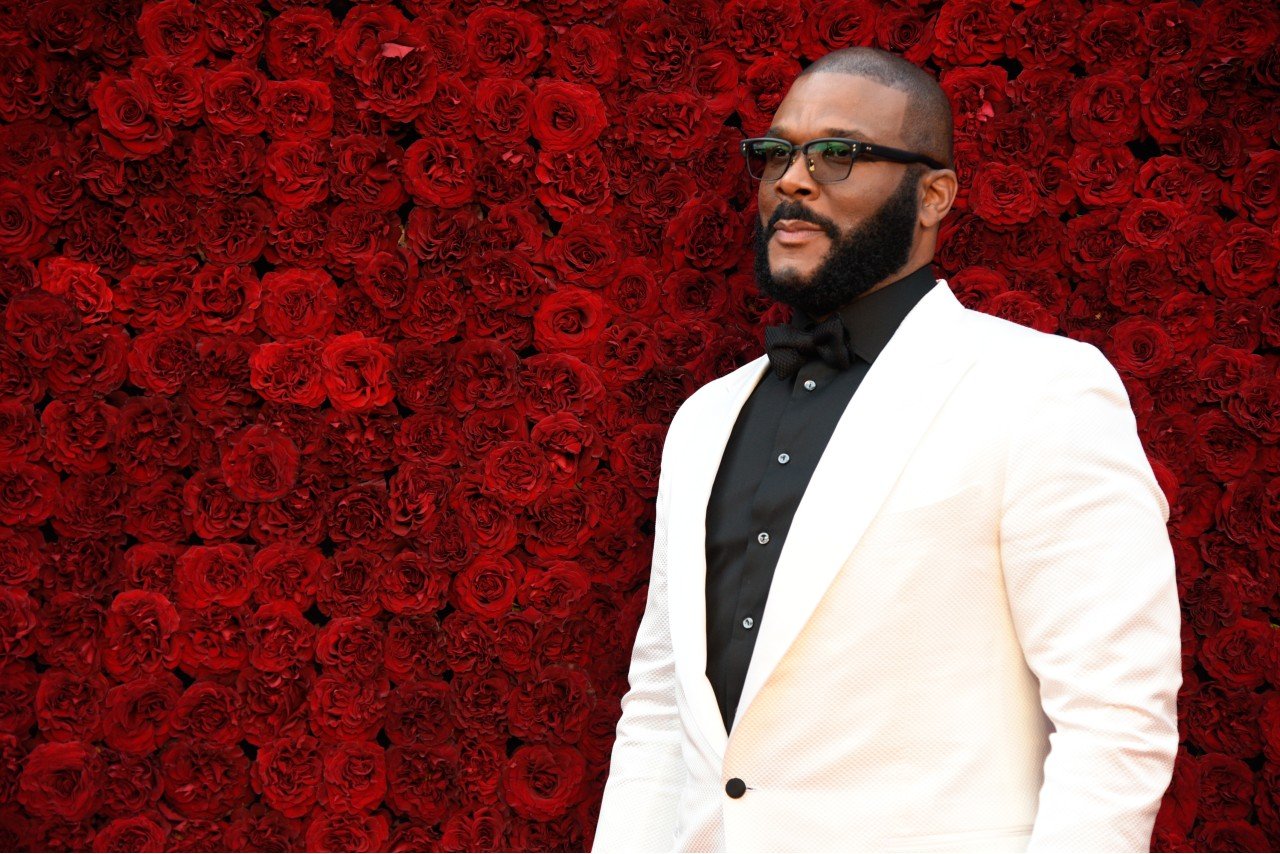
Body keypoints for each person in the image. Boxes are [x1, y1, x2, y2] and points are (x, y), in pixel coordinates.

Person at [593, 47, 1181, 853]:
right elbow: (661, 705)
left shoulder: (1041, 388)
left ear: (934, 194)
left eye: (837, 154)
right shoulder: (704, 418)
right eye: (776, 154)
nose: (792, 181)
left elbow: (1116, 714)